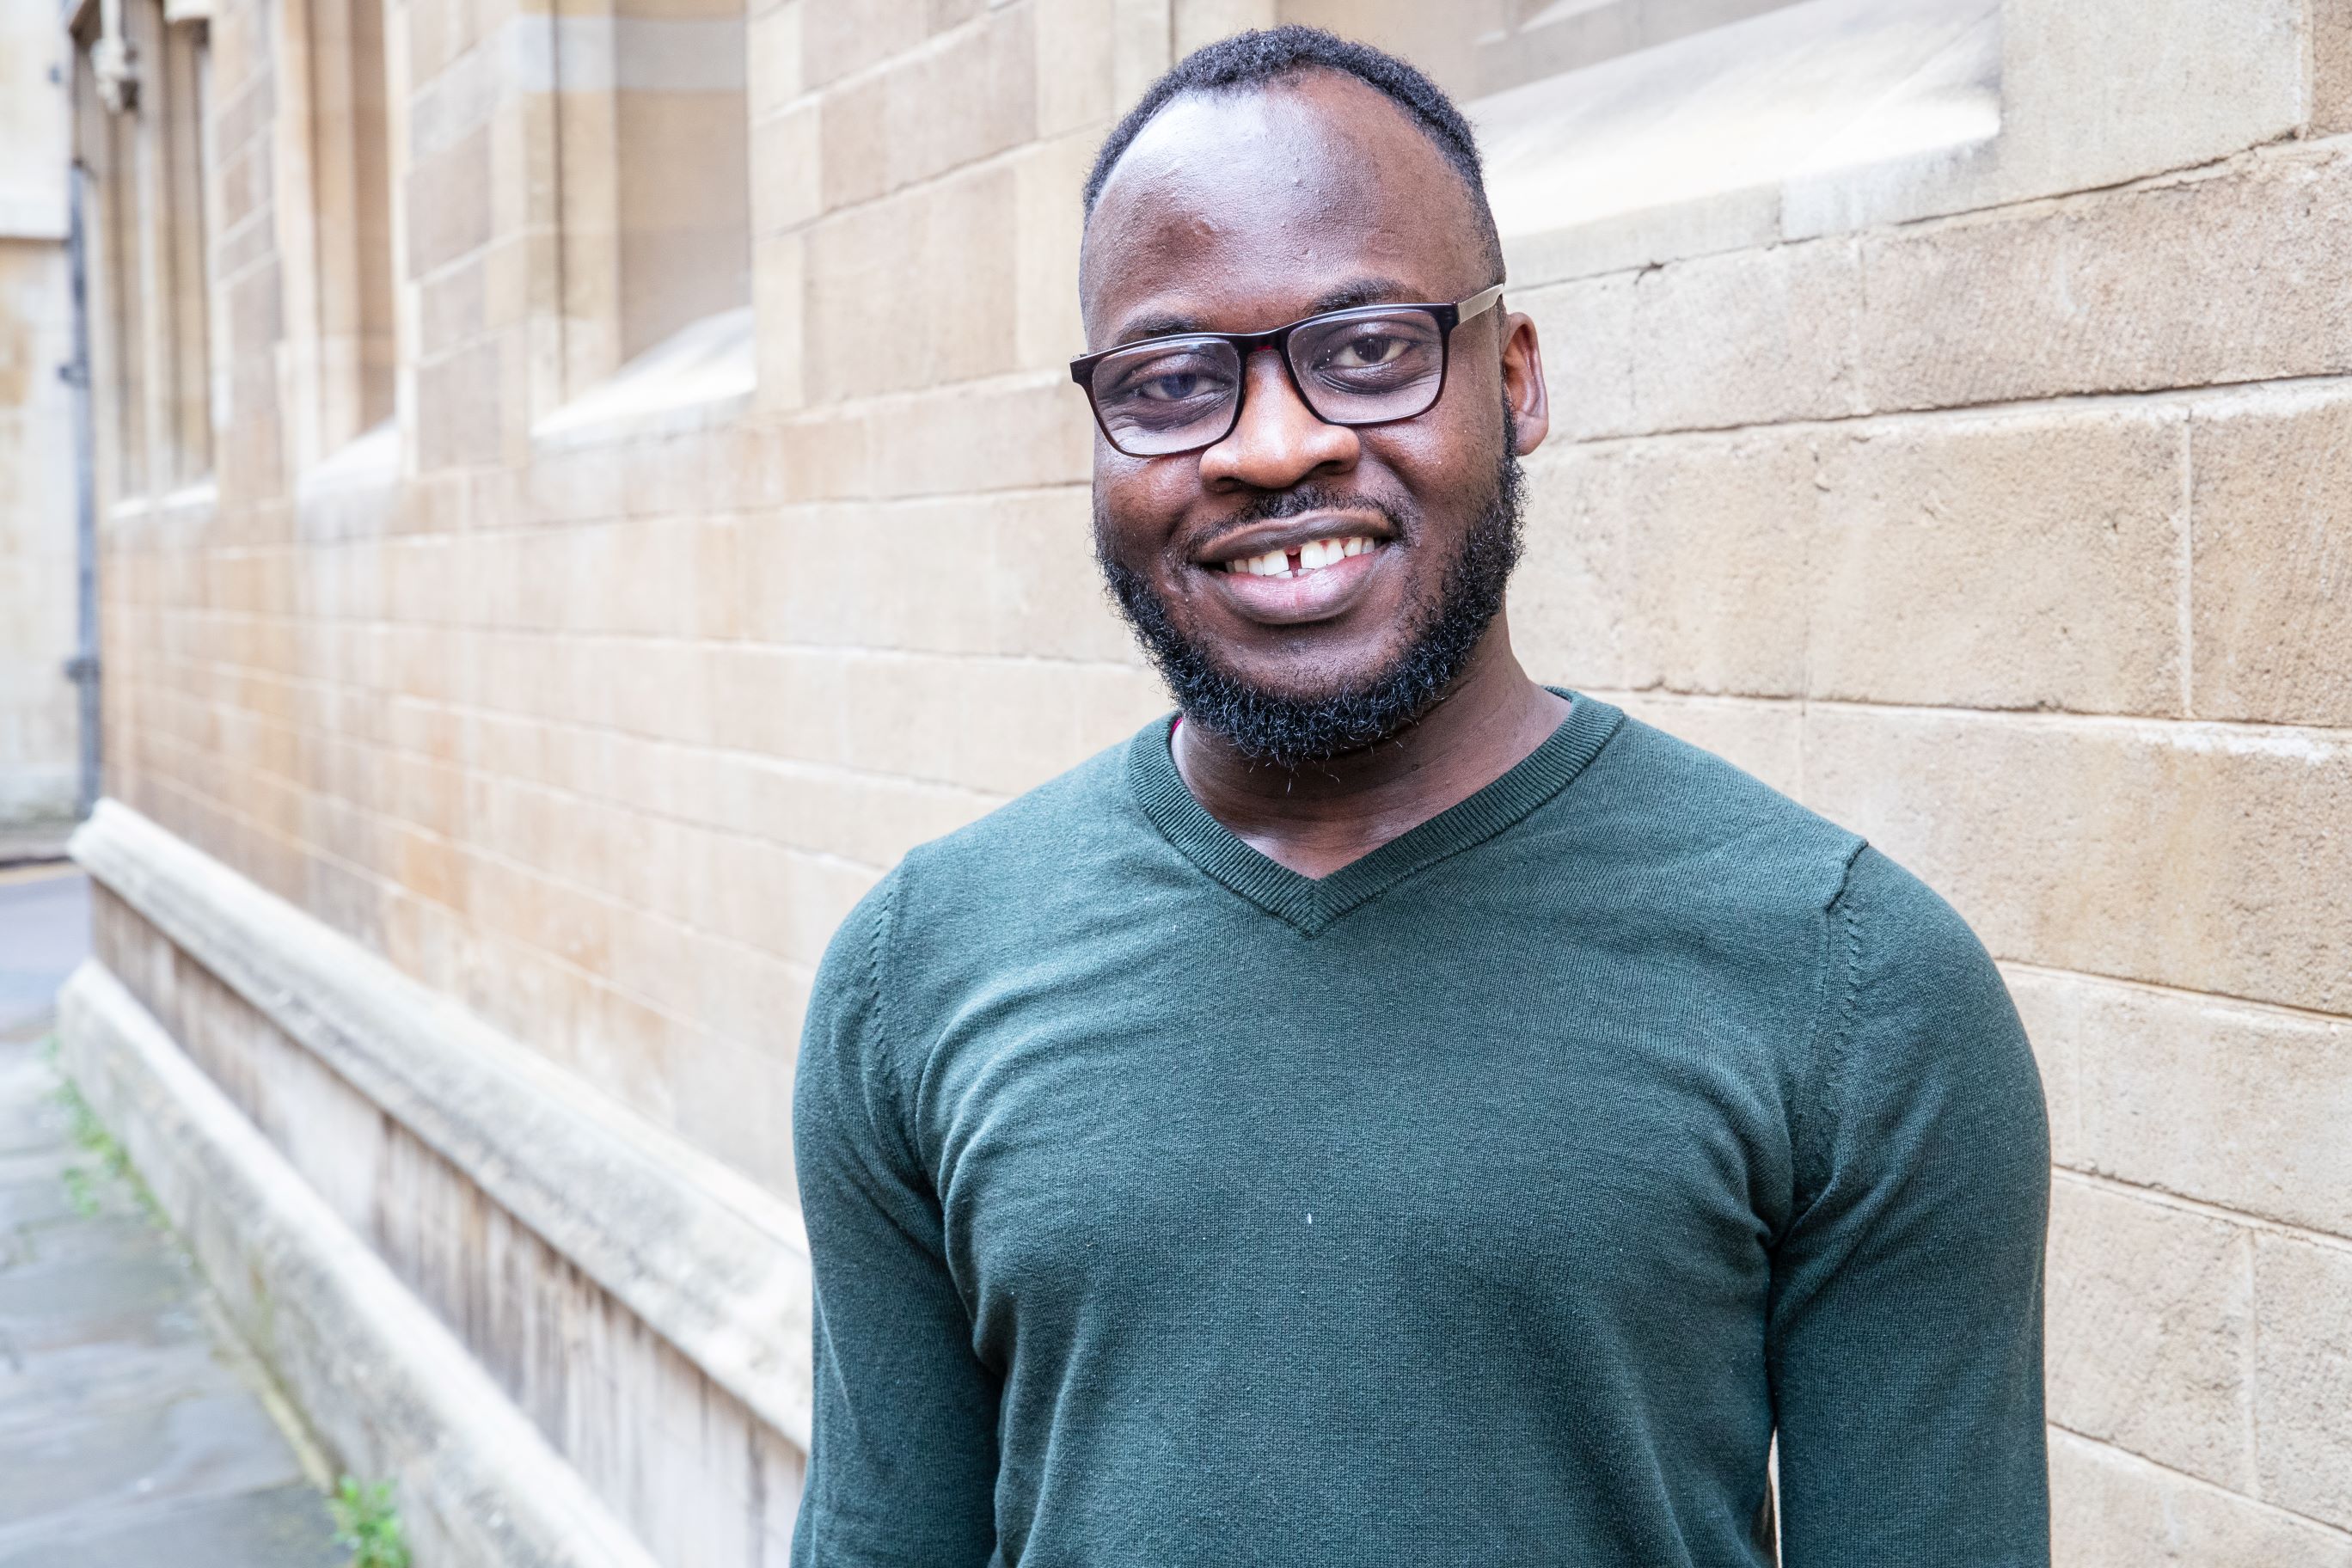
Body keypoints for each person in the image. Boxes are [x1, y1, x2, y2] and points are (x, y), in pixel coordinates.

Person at [790, 26, 2049, 1568]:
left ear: (1512, 381)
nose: (1275, 444)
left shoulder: (1852, 985)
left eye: (1370, 347)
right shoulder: (917, 973)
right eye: (1176, 380)